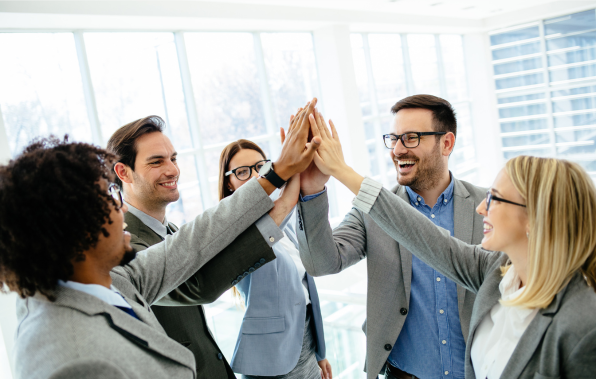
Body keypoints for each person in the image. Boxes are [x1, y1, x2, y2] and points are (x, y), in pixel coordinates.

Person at [1, 99, 321, 379]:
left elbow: (195, 240)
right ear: (74, 229)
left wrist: (278, 177)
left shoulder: (119, 278)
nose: (119, 206)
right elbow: (200, 280)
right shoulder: (68, 356)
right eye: (108, 198)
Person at [296, 110, 596, 378]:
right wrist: (320, 183)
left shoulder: (583, 322)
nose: (483, 208)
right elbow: (422, 236)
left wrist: (343, 170)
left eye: (412, 137)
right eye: (395, 138)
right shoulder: (496, 270)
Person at [295, 96, 485, 379]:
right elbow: (321, 263)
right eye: (393, 139)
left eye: (410, 138)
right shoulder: (371, 213)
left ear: (446, 143)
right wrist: (311, 190)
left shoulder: (488, 207)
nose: (397, 150)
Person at [107, 115, 286, 378]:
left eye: (173, 159)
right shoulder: (123, 246)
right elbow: (199, 285)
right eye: (157, 161)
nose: (172, 170)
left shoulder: (170, 231)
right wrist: (281, 195)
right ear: (123, 172)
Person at [218, 138, 332, 379]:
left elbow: (305, 291)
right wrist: (292, 166)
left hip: (305, 345)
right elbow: (287, 202)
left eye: (261, 167)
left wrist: (319, 352)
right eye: (242, 172)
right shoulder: (230, 230)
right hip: (271, 360)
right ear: (229, 183)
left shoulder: (286, 224)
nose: (255, 177)